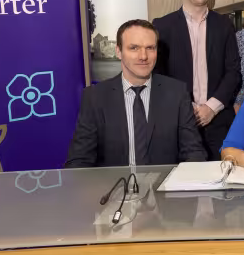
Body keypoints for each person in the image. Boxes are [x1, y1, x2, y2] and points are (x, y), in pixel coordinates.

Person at [66, 20, 206, 168]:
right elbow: (79, 161)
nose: (143, 56)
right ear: (119, 52)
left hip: (164, 187)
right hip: (113, 188)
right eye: (134, 48)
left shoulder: (177, 93)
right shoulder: (95, 97)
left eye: (150, 48)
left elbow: (193, 152)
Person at [153, 0, 242, 160]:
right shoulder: (162, 26)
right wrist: (187, 107)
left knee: (224, 182)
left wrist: (211, 107)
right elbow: (159, 75)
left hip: (219, 121)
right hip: (178, 121)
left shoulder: (224, 25)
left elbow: (233, 71)